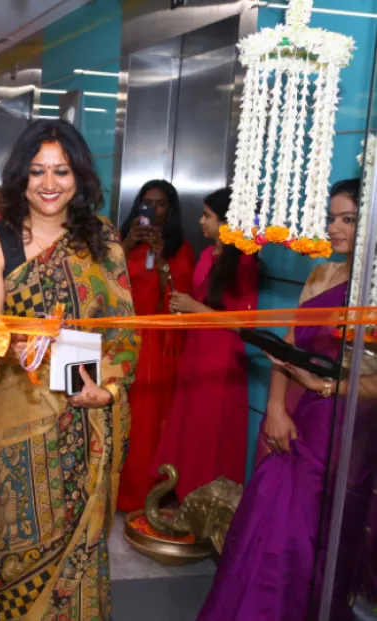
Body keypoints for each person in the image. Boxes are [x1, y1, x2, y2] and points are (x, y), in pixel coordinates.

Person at [0, 119, 138, 619]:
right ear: (20, 176)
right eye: (38, 171)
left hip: (90, 419)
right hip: (20, 418)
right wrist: (11, 344)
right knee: (10, 539)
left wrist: (108, 391)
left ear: (78, 176)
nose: (49, 183)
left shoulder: (104, 241)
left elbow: (126, 330)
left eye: (61, 172)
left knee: (83, 547)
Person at [197, 179, 377, 621]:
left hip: (348, 431)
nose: (334, 228)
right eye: (332, 218)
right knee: (265, 524)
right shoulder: (321, 274)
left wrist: (328, 388)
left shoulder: (370, 290)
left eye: (348, 219)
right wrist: (276, 408)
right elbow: (288, 347)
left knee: (312, 541)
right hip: (299, 420)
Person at [152, 187, 259, 501]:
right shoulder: (206, 255)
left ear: (227, 222)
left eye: (208, 216)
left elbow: (243, 325)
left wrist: (194, 308)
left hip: (221, 358)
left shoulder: (244, 264)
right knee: (188, 428)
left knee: (210, 432)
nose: (201, 222)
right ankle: (183, 497)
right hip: (196, 350)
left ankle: (206, 506)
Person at [116, 180, 196, 512]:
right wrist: (124, 244)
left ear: (171, 210)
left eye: (160, 204)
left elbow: (177, 296)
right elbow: (103, 283)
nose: (153, 209)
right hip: (120, 337)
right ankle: (110, 490)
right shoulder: (124, 242)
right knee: (114, 414)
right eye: (146, 202)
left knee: (145, 419)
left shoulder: (181, 248)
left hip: (155, 344)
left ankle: (141, 494)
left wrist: (162, 259)